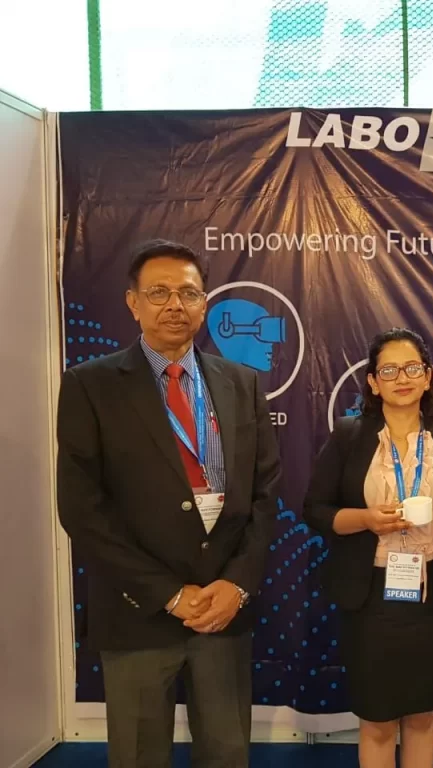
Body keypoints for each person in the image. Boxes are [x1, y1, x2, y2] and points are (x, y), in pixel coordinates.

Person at [56, 239, 282, 768]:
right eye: (159, 293)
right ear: (133, 303)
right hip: (138, 610)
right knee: (139, 755)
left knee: (227, 752)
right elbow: (82, 508)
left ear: (205, 304)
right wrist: (169, 594)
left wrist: (237, 584)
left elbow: (266, 493)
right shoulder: (91, 385)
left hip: (223, 610)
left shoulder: (242, 383)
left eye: (188, 293)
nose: (175, 305)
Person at [303, 328, 433, 768]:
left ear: (427, 377)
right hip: (370, 597)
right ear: (372, 382)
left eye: (411, 368)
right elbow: (316, 510)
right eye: (389, 370)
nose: (401, 378)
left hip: (432, 595)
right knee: (378, 720)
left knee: (422, 716)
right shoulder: (349, 436)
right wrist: (365, 519)